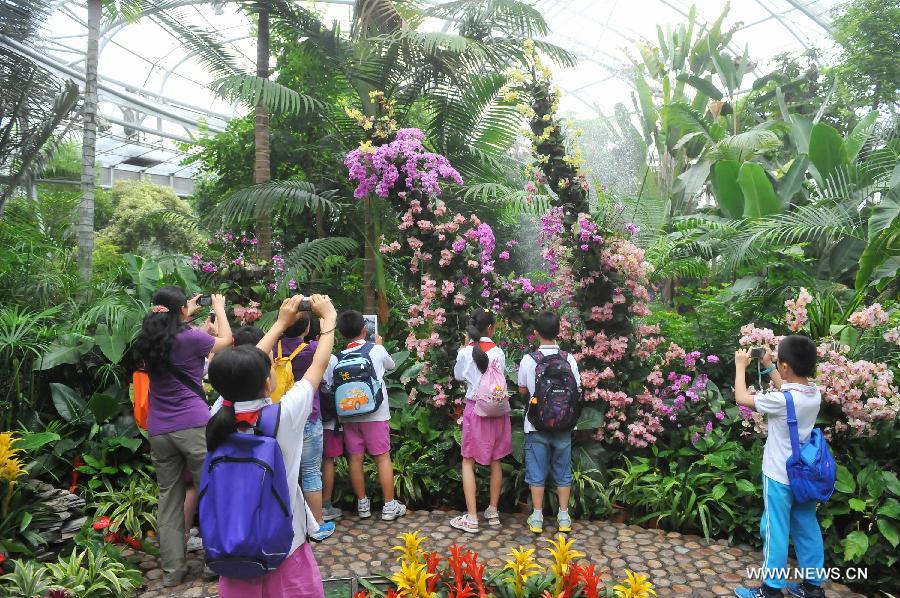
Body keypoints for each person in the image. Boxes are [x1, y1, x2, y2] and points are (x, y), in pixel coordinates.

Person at [206, 294, 336, 598]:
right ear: (267, 381)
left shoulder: (217, 414)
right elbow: (319, 364)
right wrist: (328, 319)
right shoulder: (284, 416)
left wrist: (279, 324)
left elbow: (240, 371)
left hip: (232, 544)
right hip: (283, 547)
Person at [132, 286, 232, 587]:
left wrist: (185, 313)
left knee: (170, 500)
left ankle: (172, 571)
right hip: (193, 426)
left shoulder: (147, 341)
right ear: (179, 313)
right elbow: (225, 342)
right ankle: (213, 563)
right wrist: (220, 308)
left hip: (159, 429)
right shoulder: (189, 338)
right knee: (209, 493)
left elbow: (177, 340)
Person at [733, 336, 825, 598]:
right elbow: (788, 386)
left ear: (786, 367)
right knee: (806, 526)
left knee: (775, 530)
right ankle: (813, 587)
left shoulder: (781, 400)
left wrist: (741, 366)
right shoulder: (813, 393)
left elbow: (742, 397)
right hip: (804, 477)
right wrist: (769, 365)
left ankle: (771, 590)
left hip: (779, 476)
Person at [334, 310, 405, 521]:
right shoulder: (376, 349)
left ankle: (362, 505)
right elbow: (391, 366)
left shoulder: (338, 357)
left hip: (349, 416)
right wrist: (379, 344)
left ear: (341, 333)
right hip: (376, 414)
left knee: (355, 459)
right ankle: (389, 506)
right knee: (382, 458)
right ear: (365, 329)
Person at [516, 311, 581, 534]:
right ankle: (563, 517)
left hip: (536, 424)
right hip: (564, 425)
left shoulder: (529, 360)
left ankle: (536, 517)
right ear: (558, 331)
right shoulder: (568, 359)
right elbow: (577, 390)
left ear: (535, 333)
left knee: (537, 470)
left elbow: (522, 390)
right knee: (563, 470)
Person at [450, 309, 511, 534]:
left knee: (468, 461)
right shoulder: (499, 352)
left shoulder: (466, 352)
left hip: (475, 410)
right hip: (496, 411)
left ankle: (472, 518)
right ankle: (493, 511)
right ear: (491, 328)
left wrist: (465, 347)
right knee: (496, 460)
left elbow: (458, 376)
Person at [277, 311, 336, 541]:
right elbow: (326, 357)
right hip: (309, 416)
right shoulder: (311, 350)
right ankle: (317, 525)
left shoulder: (275, 347)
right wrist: (326, 323)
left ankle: (287, 522)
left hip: (281, 417)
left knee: (282, 471)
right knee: (311, 471)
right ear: (306, 328)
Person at [321, 353, 343, 522]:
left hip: (301, 418)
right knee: (328, 460)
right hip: (328, 418)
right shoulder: (331, 358)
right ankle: (325, 505)